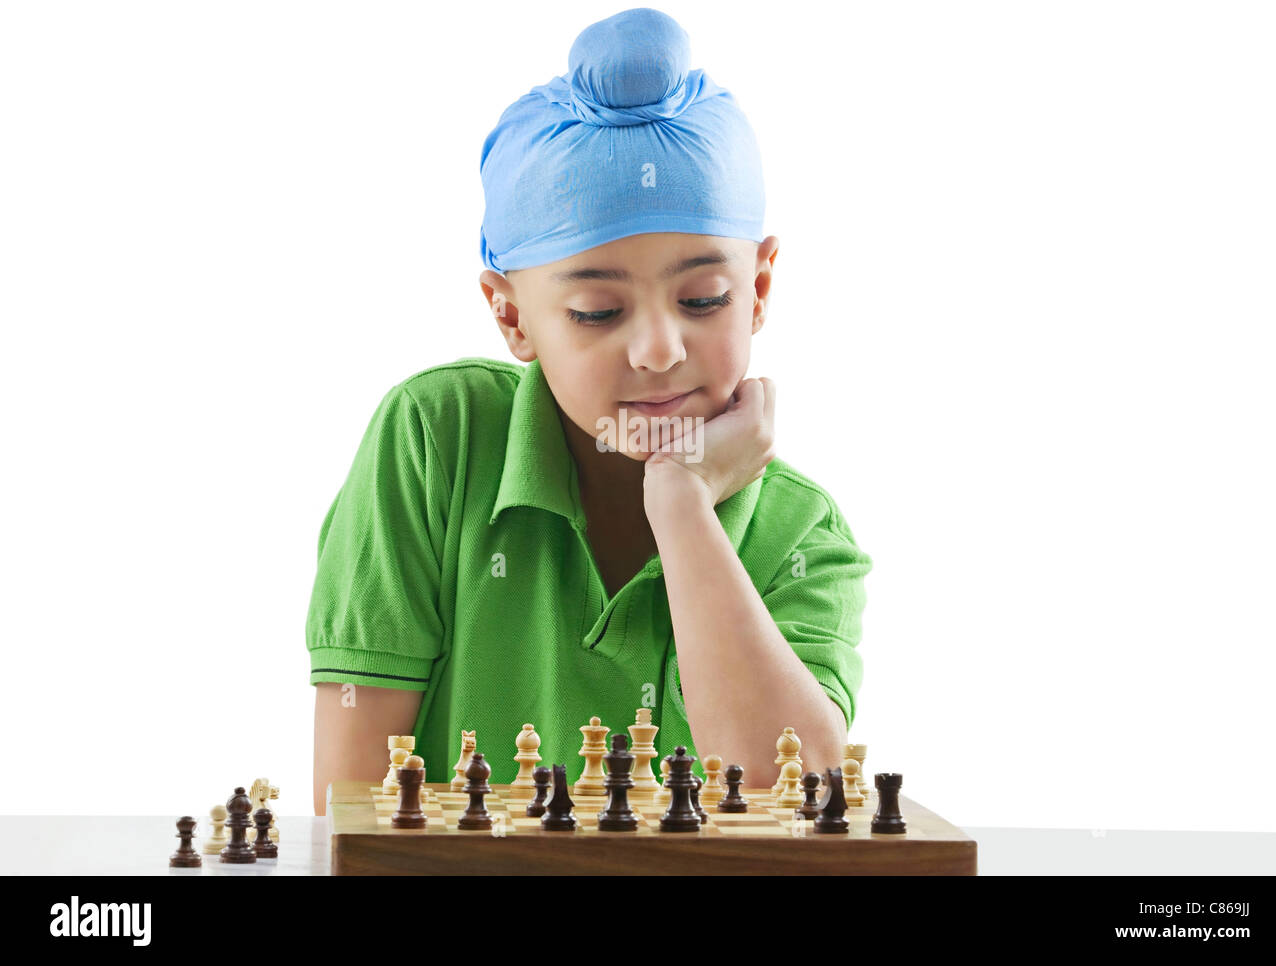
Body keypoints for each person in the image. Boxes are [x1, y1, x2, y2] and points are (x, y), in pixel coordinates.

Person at [309, 7, 872, 816]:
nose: (657, 349)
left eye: (702, 298)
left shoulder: (804, 535)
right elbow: (356, 814)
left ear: (760, 289)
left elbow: (792, 806)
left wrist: (682, 507)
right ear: (512, 317)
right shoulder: (434, 440)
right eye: (598, 312)